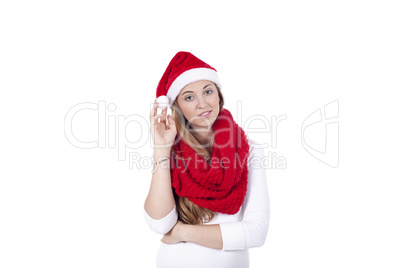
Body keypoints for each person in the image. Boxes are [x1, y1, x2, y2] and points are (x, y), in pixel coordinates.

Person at [144, 51, 270, 268]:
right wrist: (162, 150)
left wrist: (184, 232)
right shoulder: (170, 151)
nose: (203, 104)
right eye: (189, 97)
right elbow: (160, 223)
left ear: (219, 96)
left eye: (208, 91)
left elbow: (256, 232)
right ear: (178, 107)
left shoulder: (250, 149)